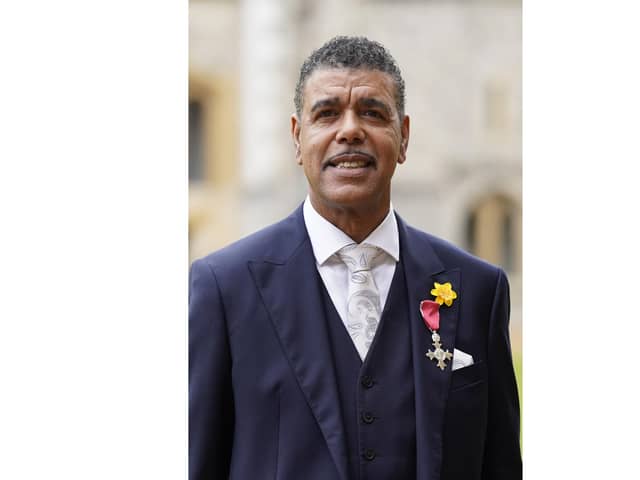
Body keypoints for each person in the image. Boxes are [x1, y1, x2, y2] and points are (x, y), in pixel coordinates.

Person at [189, 36, 521, 480]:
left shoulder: (479, 290)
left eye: (372, 112)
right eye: (327, 114)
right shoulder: (223, 288)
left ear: (403, 137)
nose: (350, 130)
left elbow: (498, 465)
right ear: (296, 137)